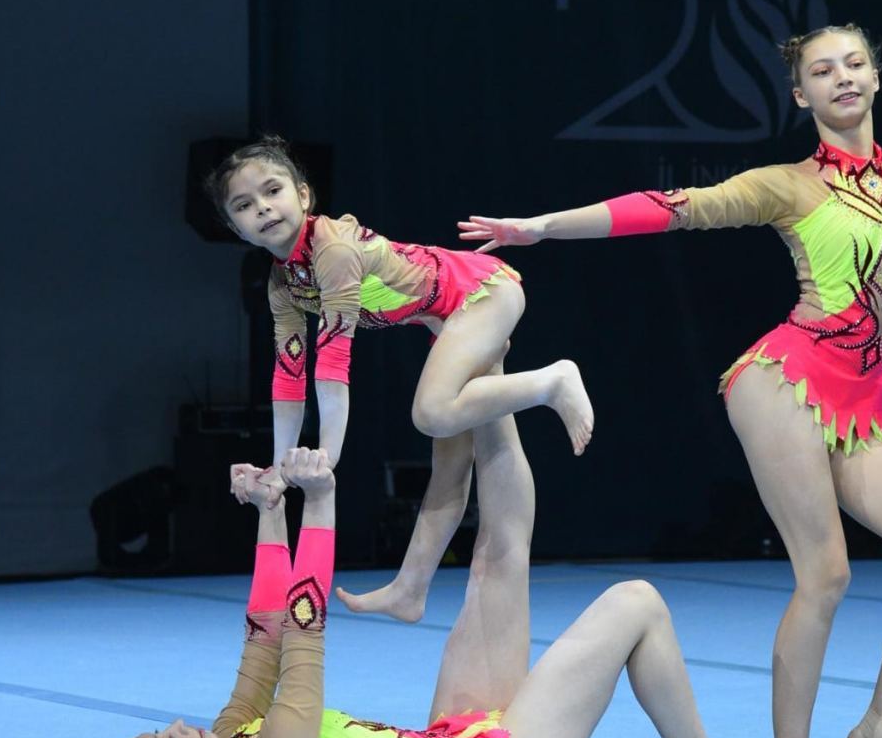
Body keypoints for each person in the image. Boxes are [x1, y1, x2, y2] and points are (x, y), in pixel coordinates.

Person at [457, 24, 882, 738]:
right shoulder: (791, 184)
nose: (842, 79)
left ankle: (878, 733)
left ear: (877, 77)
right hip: (784, 381)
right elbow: (671, 208)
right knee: (825, 573)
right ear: (801, 95)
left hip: (860, 409)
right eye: (822, 72)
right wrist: (545, 226)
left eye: (854, 64)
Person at [87, 433, 792, 738]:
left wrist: (271, 510)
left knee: (496, 556)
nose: (178, 726)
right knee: (636, 601)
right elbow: (304, 635)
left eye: (164, 730)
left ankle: (491, 379)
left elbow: (263, 636)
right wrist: (323, 503)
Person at [202, 136, 593, 622]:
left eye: (272, 191)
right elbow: (289, 379)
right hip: (448, 322)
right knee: (450, 466)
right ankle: (410, 590)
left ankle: (552, 381)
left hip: (480, 292)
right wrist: (280, 467)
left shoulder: (334, 250)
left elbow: (333, 361)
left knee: (432, 412)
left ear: (304, 195)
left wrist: (328, 459)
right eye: (244, 205)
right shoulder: (283, 283)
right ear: (234, 228)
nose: (262, 208)